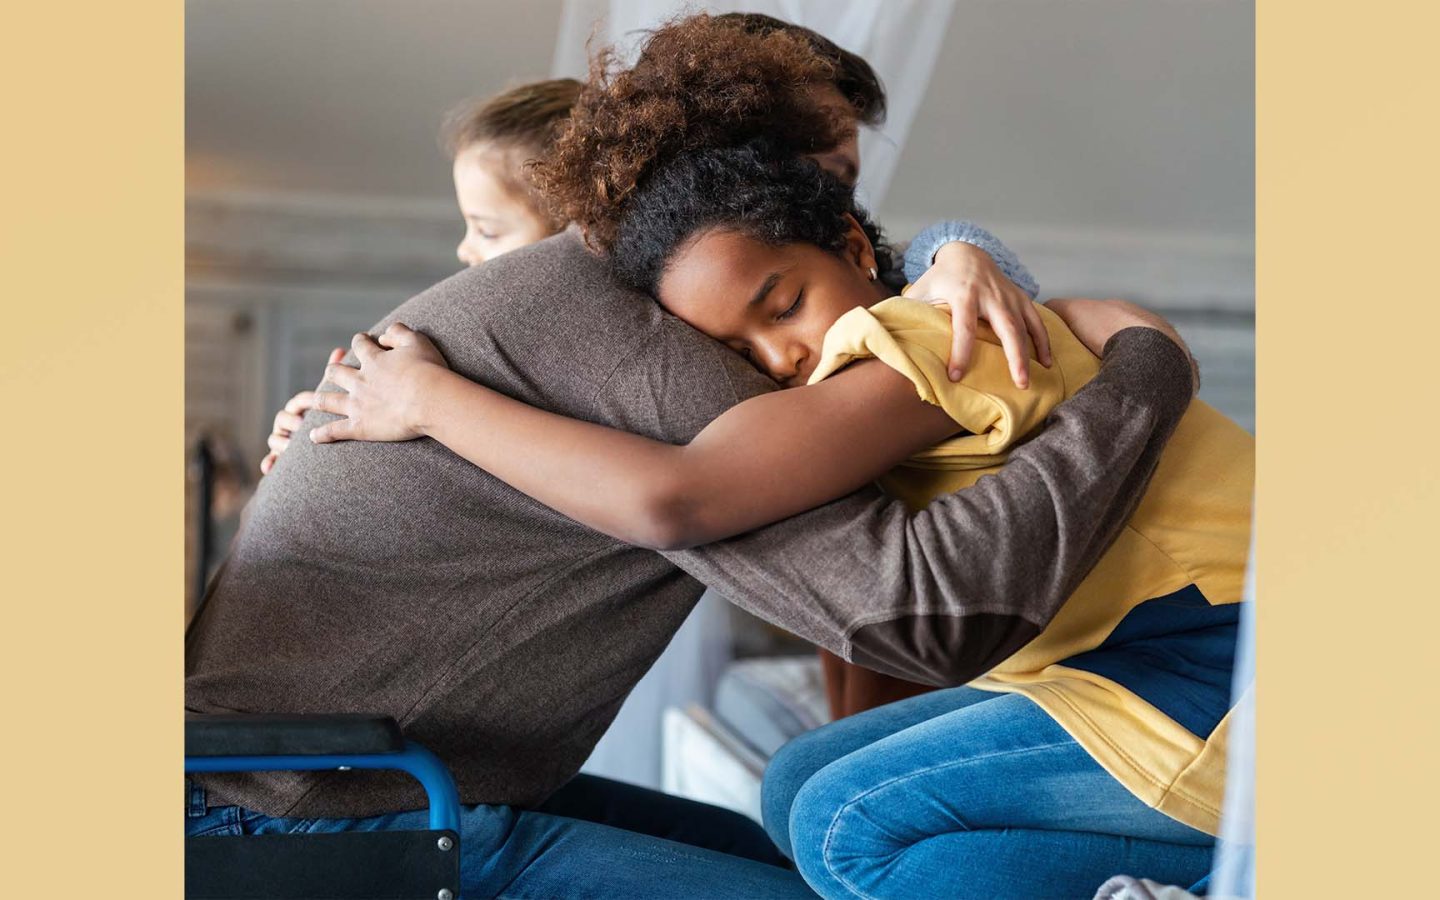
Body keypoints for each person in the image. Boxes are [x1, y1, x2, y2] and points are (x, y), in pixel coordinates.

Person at [307, 120, 1248, 900]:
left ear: (848, 246)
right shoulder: (910, 324)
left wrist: (430, 403)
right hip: (1128, 659)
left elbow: (680, 494)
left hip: (1224, 657)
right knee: (798, 782)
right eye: (742, 350)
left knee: (844, 829)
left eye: (784, 305)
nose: (782, 357)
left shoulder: (919, 339)